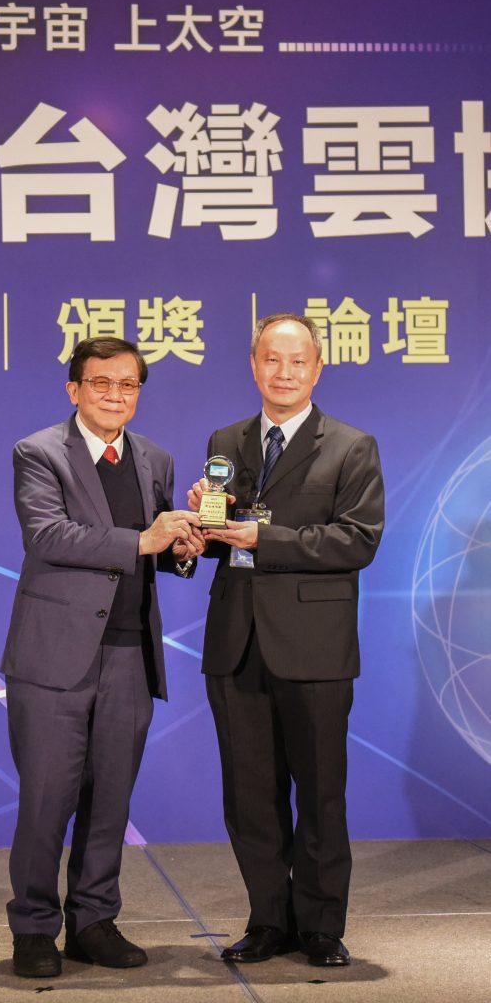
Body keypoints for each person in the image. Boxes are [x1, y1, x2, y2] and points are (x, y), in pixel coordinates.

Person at [1, 336, 203, 978]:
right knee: (46, 800)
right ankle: (34, 927)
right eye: (101, 383)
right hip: (54, 658)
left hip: (129, 654)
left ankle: (93, 920)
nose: (115, 395)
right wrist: (146, 539)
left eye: (128, 385)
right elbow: (48, 536)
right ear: (74, 390)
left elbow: (156, 556)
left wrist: (184, 545)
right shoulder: (39, 452)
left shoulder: (154, 458)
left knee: (111, 799)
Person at [188, 313, 384, 967]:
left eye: (297, 361)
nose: (284, 372)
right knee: (250, 796)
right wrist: (204, 527)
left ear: (317, 368)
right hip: (236, 640)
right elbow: (223, 538)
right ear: (253, 366)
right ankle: (268, 920)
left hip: (314, 646)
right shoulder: (227, 440)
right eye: (271, 359)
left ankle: (321, 927)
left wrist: (261, 538)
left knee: (320, 793)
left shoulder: (351, 446)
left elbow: (356, 541)